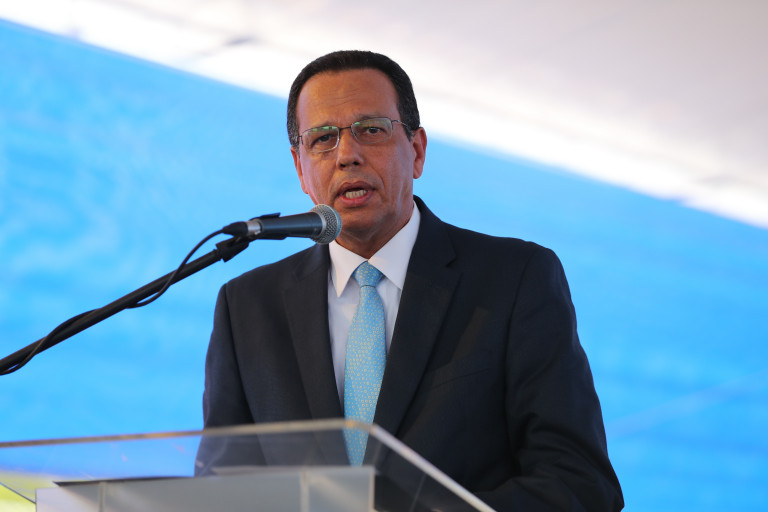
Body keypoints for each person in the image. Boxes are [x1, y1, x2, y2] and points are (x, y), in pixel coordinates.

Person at [201, 50, 624, 511]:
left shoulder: (514, 279)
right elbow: (219, 491)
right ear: (301, 168)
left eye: (371, 130)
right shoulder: (247, 308)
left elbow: (578, 484)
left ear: (417, 151)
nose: (347, 155)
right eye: (322, 139)